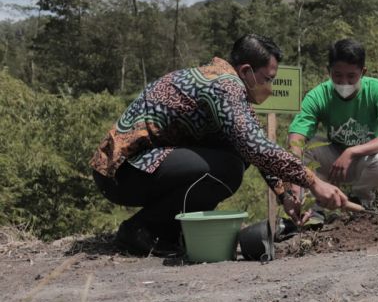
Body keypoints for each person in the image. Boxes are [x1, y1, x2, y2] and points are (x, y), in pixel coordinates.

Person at [90, 34, 349, 255]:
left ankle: (168, 231)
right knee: (228, 169)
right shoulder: (224, 85)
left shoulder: (228, 87)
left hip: (145, 168)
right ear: (246, 71)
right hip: (123, 171)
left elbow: (254, 146)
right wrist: (313, 182)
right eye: (268, 79)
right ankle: (142, 229)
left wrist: (286, 196)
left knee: (236, 157)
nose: (270, 88)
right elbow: (256, 146)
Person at [288, 38, 378, 210]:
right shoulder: (318, 95)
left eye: (351, 76)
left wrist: (351, 152)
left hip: (367, 160)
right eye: (338, 75)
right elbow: (296, 139)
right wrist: (295, 183)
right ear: (328, 71)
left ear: (363, 72)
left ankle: (360, 199)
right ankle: (313, 206)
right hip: (334, 161)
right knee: (304, 149)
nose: (344, 83)